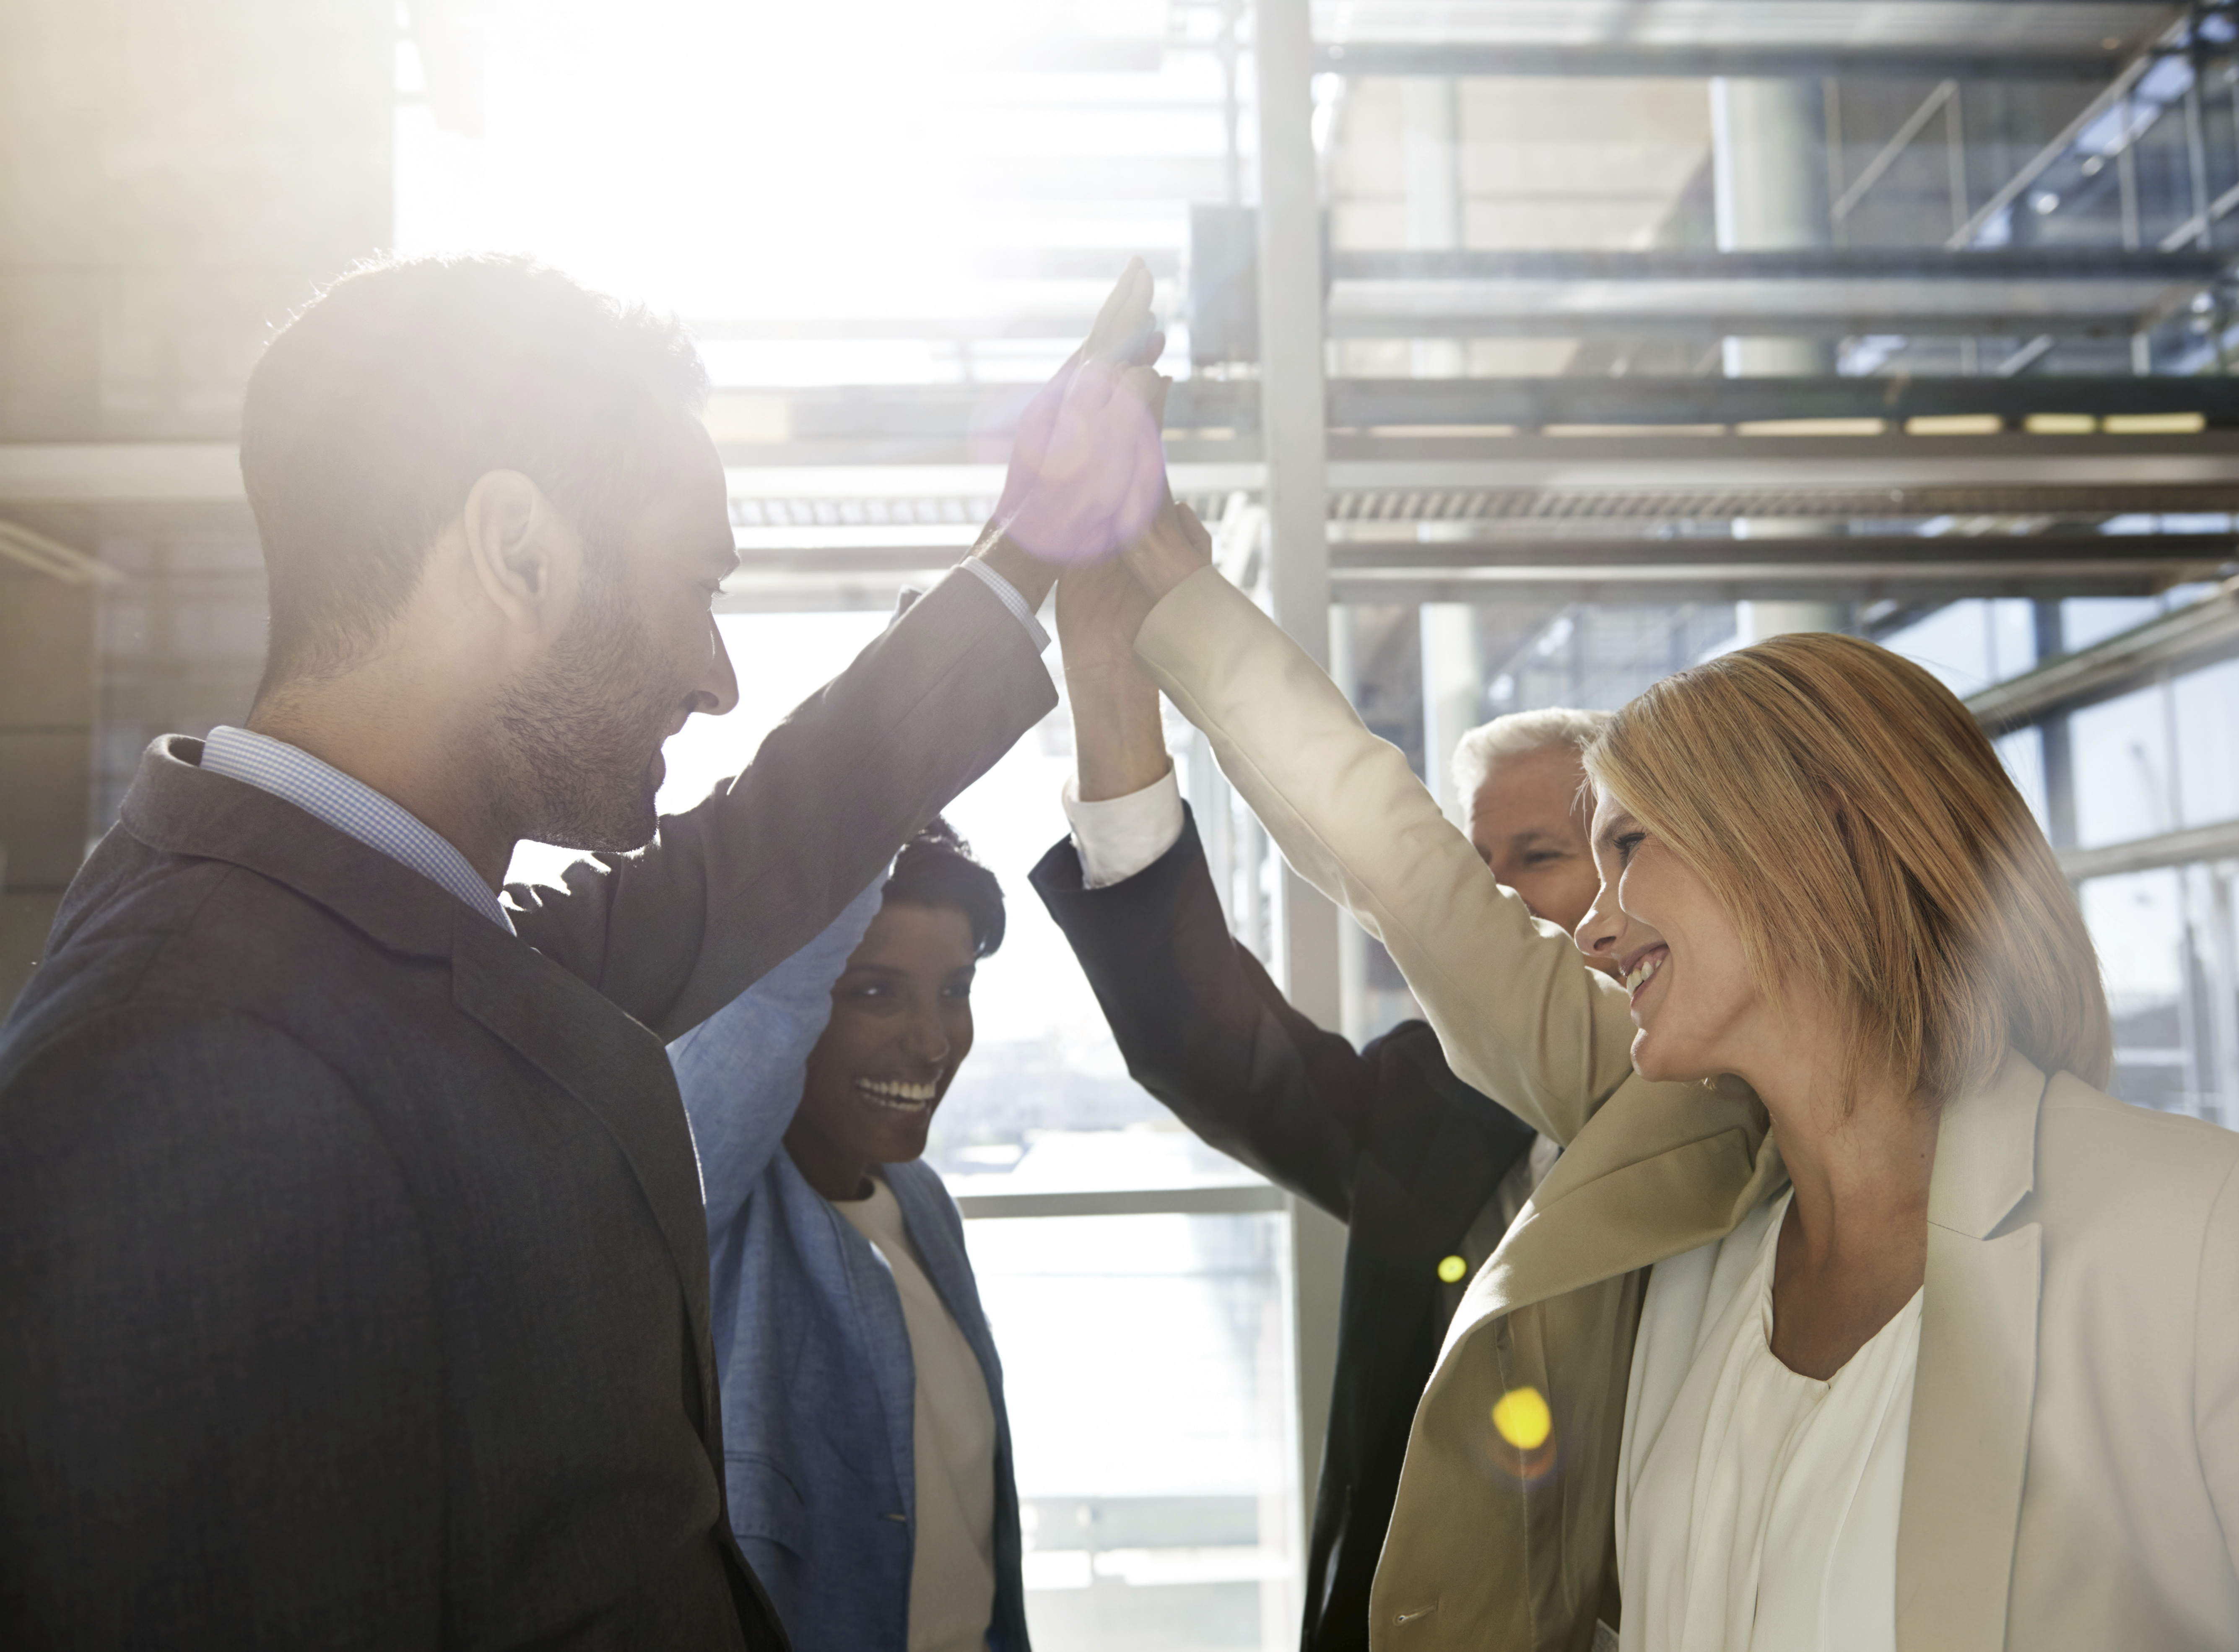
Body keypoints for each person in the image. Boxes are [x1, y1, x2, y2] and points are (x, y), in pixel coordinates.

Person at [0, 253, 1166, 1649]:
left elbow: (757, 856)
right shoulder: (185, 1070)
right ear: (520, 555)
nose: (717, 674)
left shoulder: (374, 932)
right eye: (695, 586)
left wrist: (1029, 543)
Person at [1067, 499, 2239, 1652]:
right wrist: (1161, 603)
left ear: (1818, 835)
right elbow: (1404, 874)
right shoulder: (1695, 1240)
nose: (1582, 926)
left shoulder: (2193, 1237)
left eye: (1624, 845)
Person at [1029, 597, 1613, 1652]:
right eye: (1470, 863)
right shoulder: (1427, 1096)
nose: (1486, 903)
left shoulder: (1736, 1112)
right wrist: (1111, 698)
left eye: (1536, 856)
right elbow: (1209, 1044)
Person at [672, 820, 1024, 1652]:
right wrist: (885, 802)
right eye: (875, 991)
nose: (934, 1041)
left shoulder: (922, 1203)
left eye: (954, 988)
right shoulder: (710, 1202)